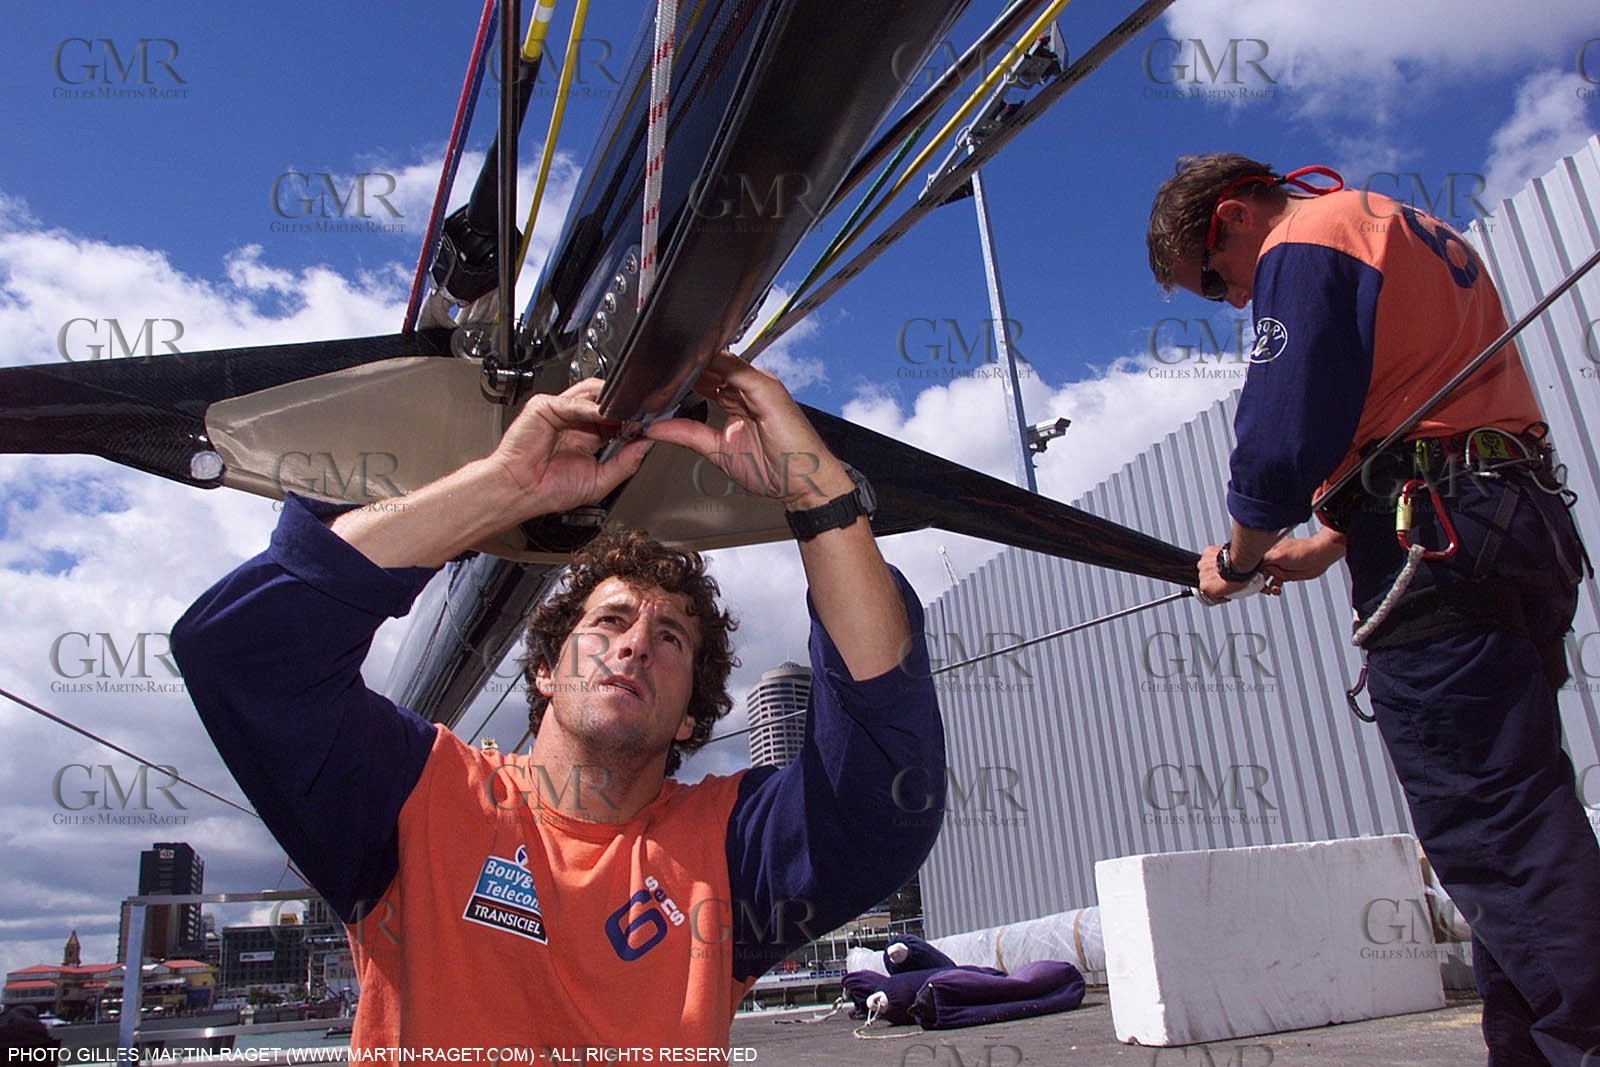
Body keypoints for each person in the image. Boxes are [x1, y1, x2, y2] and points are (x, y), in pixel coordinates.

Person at [172, 352, 945, 1052]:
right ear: (545, 670)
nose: (636, 644)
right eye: (610, 621)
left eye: (671, 638)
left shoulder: (731, 852)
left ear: (689, 714)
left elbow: (882, 791)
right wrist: (503, 486)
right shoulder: (416, 797)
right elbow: (243, 653)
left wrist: (816, 491)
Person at [1146, 153, 1599, 1065]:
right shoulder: (1395, 225)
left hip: (1440, 540)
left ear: (1231, 217)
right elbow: (1418, 400)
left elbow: (1281, 431)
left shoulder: (1304, 239)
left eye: (1214, 281)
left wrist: (1236, 558)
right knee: (1518, 810)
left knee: (1491, 824)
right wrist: (1325, 541)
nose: (1235, 301)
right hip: (1511, 518)